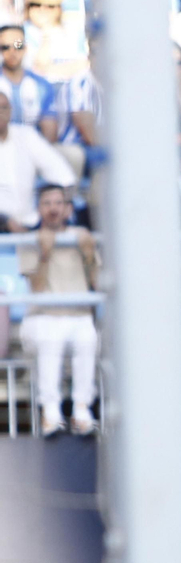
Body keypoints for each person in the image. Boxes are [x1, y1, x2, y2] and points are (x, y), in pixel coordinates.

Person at [19, 184, 97, 437]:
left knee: (88, 337)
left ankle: (82, 410)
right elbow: (38, 289)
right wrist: (44, 253)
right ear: (39, 209)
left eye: (58, 203)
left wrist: (88, 253)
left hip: (78, 315)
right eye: (47, 203)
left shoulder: (82, 236)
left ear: (68, 209)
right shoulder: (30, 240)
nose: (53, 209)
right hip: (43, 316)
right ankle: (50, 412)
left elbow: (96, 283)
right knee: (51, 336)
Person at [0, 91, 75, 231]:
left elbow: (63, 175)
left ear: (11, 111)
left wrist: (57, 209)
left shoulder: (26, 136)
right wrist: (4, 221)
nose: (0, 113)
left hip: (32, 226)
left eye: (4, 108)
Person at [22, 0, 88, 84]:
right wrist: (45, 38)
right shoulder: (19, 34)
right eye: (36, 5)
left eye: (50, 6)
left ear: (59, 8)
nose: (42, 9)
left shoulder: (73, 31)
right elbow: (36, 66)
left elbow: (84, 63)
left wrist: (51, 69)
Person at [0, 24, 60, 142]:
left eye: (18, 45)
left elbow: (49, 131)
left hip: (34, 147)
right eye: (5, 47)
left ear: (25, 48)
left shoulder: (42, 85)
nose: (12, 52)